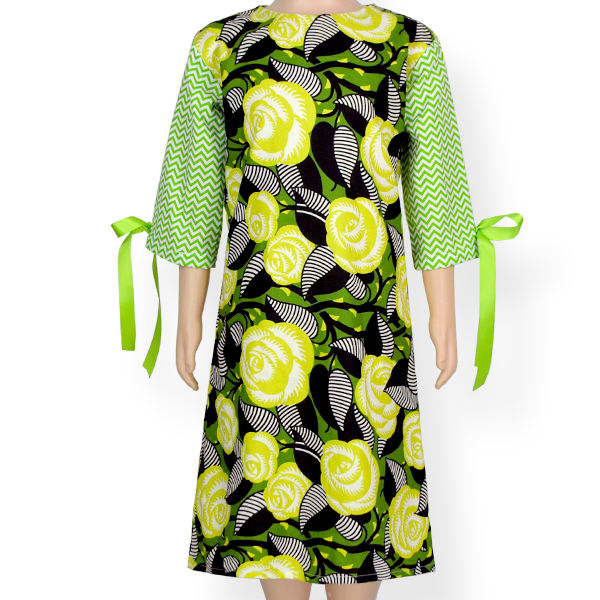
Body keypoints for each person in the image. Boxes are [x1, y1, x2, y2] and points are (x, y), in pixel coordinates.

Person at [111, 1, 522, 599]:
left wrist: (445, 315)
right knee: (274, 505)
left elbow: (435, 187)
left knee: (360, 511)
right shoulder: (220, 47)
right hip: (260, 318)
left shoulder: (409, 46)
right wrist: (186, 318)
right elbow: (193, 189)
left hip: (368, 325)